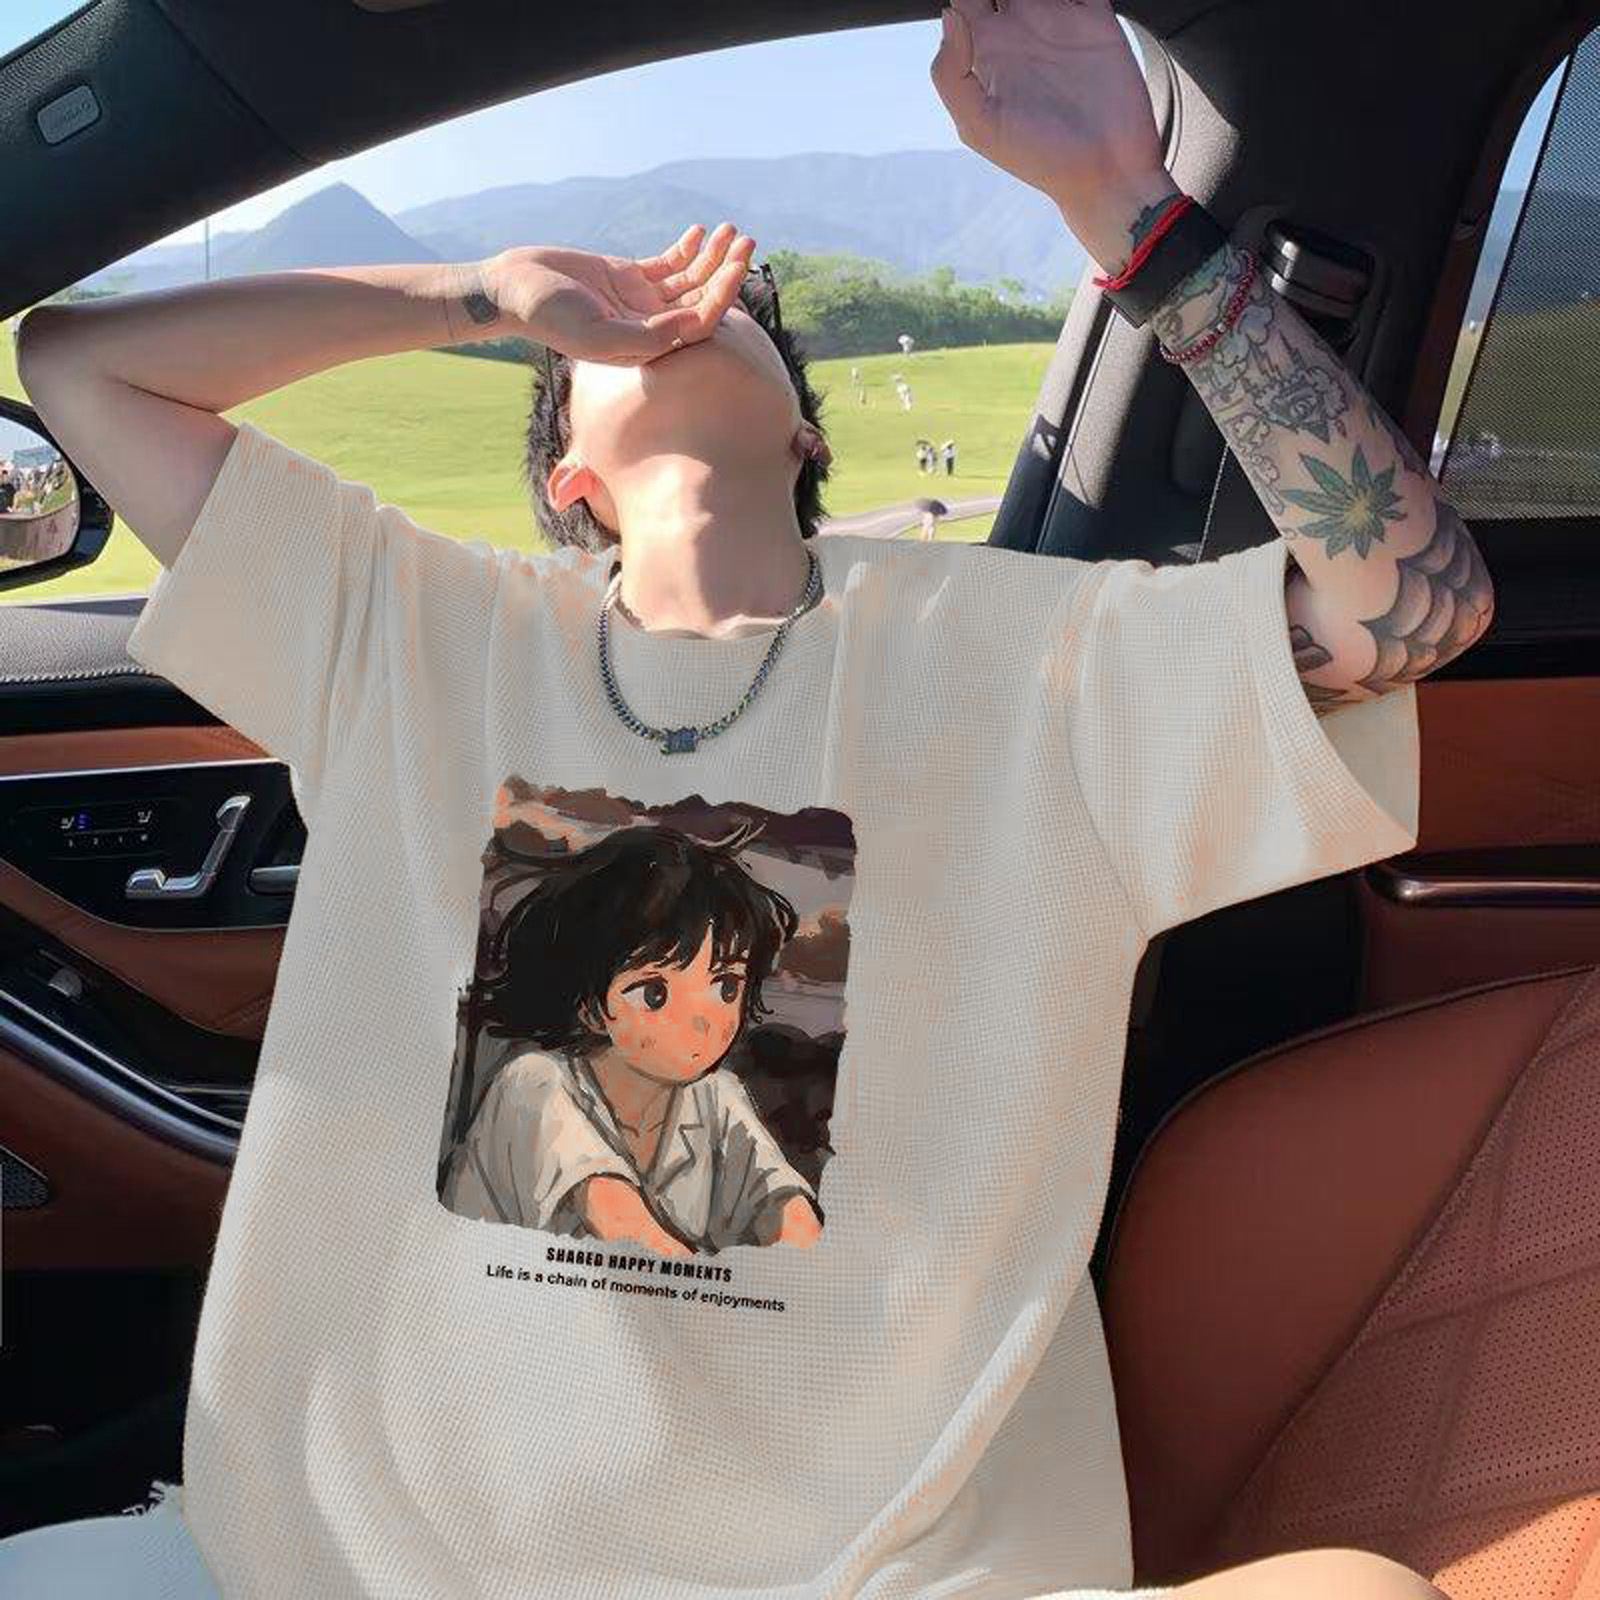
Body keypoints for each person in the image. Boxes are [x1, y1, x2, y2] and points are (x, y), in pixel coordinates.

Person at [9, 1, 1490, 1595]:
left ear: (801, 430)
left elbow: (1410, 609)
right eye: (603, 336)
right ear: (572, 485)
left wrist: (1130, 211)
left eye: (742, 316)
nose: (683, 305)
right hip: (354, 1564)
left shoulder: (1032, 658)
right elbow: (80, 366)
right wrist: (478, 293)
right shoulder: (411, 627)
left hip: (886, 1573)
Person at [440, 819, 823, 1254]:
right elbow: (621, 1225)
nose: (703, 1021)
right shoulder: (533, 1084)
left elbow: (784, 1205)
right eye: (656, 993)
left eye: (726, 987)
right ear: (590, 1008)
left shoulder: (716, 1094)